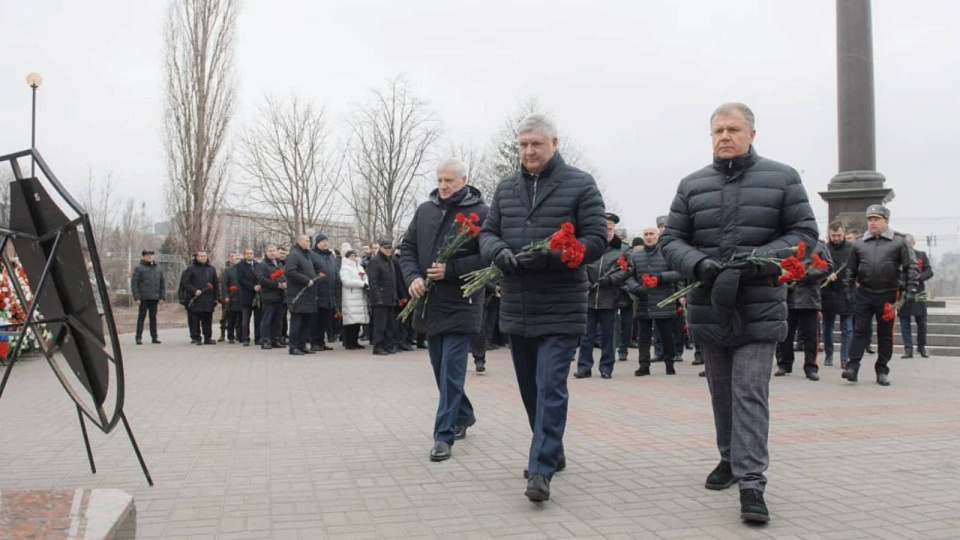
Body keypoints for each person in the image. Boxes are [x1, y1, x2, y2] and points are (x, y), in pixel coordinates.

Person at [660, 103, 818, 523]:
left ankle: (752, 482)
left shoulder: (782, 177)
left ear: (751, 133)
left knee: (749, 390)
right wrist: (698, 264)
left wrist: (755, 260)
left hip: (759, 306)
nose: (724, 136)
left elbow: (804, 235)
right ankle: (729, 458)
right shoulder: (692, 185)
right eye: (717, 130)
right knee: (721, 392)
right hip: (711, 305)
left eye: (733, 129)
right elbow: (671, 240)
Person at [479, 113, 606, 502]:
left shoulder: (580, 184)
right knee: (530, 389)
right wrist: (499, 252)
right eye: (523, 145)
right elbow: (487, 233)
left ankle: (541, 468)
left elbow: (596, 239)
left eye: (537, 144)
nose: (530, 151)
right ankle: (553, 447)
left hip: (561, 303)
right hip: (518, 304)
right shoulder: (505, 188)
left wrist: (555, 256)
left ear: (554, 143)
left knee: (551, 385)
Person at [401, 157, 489, 462]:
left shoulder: (481, 213)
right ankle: (463, 414)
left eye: (449, 180)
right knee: (440, 370)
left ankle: (443, 435)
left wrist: (451, 269)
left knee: (452, 371)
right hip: (429, 303)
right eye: (439, 179)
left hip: (462, 303)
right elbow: (408, 249)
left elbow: (488, 258)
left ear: (464, 180)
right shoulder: (425, 210)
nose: (443, 185)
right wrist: (412, 277)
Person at [842, 205, 919, 386]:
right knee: (860, 330)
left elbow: (911, 266)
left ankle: (882, 370)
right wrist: (848, 288)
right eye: (870, 219)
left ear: (886, 221)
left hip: (889, 294)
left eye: (876, 219)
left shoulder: (899, 242)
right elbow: (850, 269)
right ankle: (852, 367)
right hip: (865, 292)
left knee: (885, 334)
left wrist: (911, 289)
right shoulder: (859, 243)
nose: (872, 223)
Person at [575, 213, 628, 379]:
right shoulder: (591, 246)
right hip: (589, 297)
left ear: (614, 230)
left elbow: (626, 271)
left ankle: (606, 368)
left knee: (608, 336)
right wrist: (586, 282)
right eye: (604, 228)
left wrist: (610, 280)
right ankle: (584, 367)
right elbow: (581, 266)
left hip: (609, 298)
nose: (607, 232)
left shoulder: (623, 249)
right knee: (586, 335)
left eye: (610, 229)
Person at [626, 226, 683, 376]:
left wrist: (660, 277)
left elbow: (678, 273)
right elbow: (628, 276)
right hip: (644, 302)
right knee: (643, 337)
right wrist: (636, 288)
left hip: (663, 302)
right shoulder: (635, 256)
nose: (649, 237)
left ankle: (669, 363)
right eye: (646, 234)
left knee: (666, 336)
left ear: (658, 236)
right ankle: (644, 365)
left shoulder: (667, 254)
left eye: (652, 234)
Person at [775, 240, 832, 380]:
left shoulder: (819, 245)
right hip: (789, 295)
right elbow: (777, 263)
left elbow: (828, 267)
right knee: (785, 334)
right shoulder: (787, 242)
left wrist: (806, 275)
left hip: (810, 297)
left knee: (811, 335)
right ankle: (784, 364)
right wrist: (788, 274)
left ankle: (811, 366)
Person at [821, 222, 855, 368]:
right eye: (833, 235)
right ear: (829, 234)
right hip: (827, 293)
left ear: (844, 233)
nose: (836, 238)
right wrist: (826, 276)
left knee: (847, 328)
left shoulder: (852, 248)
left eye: (839, 235)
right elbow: (817, 267)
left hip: (846, 292)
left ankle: (845, 357)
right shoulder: (824, 249)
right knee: (827, 327)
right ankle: (829, 355)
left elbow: (856, 268)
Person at [899, 234, 933, 358]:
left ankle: (922, 347)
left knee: (922, 320)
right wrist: (902, 283)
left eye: (909, 243)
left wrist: (918, 277)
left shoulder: (921, 255)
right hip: (903, 291)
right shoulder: (898, 258)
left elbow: (929, 272)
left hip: (920, 291)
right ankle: (908, 349)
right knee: (904, 321)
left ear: (913, 243)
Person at [285, 235, 318, 355]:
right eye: (307, 241)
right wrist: (305, 280)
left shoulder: (307, 255)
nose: (309, 243)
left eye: (309, 241)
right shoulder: (294, 255)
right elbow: (290, 272)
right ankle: (293, 346)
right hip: (298, 293)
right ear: (299, 242)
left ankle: (302, 345)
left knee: (305, 321)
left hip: (308, 294)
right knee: (297, 321)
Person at [367, 240, 401, 355]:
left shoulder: (390, 261)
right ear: (380, 248)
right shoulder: (375, 261)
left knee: (390, 324)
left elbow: (394, 280)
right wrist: (378, 298)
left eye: (389, 248)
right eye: (385, 248)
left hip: (391, 297)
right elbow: (373, 281)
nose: (388, 250)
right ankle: (378, 346)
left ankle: (388, 345)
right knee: (380, 325)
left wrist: (396, 296)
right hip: (380, 298)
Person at [181, 251, 221, 345]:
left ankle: (208, 338)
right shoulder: (191, 269)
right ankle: (196, 337)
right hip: (195, 299)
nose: (203, 257)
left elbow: (216, 284)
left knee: (207, 319)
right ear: (197, 257)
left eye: (204, 256)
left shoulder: (211, 269)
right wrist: (194, 290)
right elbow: (185, 283)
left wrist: (216, 298)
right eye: (201, 256)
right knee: (195, 319)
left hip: (208, 299)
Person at [310, 234, 339, 352]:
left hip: (329, 293)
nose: (325, 243)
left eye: (327, 241)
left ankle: (321, 342)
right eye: (323, 241)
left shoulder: (331, 256)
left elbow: (334, 271)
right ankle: (315, 342)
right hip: (318, 292)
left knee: (325, 320)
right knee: (316, 320)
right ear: (317, 243)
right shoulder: (312, 255)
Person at [256, 245, 286, 350]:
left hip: (280, 296)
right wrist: (276, 285)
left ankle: (275, 339)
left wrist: (284, 283)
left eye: (274, 251)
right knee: (267, 319)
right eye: (270, 251)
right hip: (268, 295)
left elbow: (285, 276)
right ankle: (265, 340)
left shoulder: (280, 264)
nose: (272, 253)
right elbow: (261, 279)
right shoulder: (262, 265)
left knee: (278, 320)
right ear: (266, 252)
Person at [131, 249, 164, 345]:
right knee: (141, 317)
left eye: (151, 255)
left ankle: (154, 337)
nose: (150, 257)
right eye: (147, 255)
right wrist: (137, 297)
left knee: (153, 317)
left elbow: (162, 284)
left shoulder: (158, 268)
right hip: (143, 297)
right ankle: (138, 337)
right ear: (144, 256)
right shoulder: (139, 268)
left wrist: (162, 297)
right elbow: (134, 284)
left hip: (154, 297)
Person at [340, 250, 369, 349]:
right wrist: (361, 284)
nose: (354, 257)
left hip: (360, 296)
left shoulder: (359, 266)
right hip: (350, 296)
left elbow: (365, 276)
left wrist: (366, 283)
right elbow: (346, 281)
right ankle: (348, 342)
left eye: (355, 255)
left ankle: (355, 341)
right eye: (351, 256)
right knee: (350, 321)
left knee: (357, 321)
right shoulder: (345, 268)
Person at [236, 249, 260, 346]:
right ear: (244, 255)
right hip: (246, 295)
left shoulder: (258, 265)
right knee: (245, 319)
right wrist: (252, 286)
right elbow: (240, 280)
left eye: (251, 253)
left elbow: (261, 276)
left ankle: (258, 338)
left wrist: (259, 286)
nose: (249, 255)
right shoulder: (240, 266)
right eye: (247, 254)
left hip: (257, 296)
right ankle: (245, 338)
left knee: (258, 318)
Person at [220, 252, 241, 343]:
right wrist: (226, 296)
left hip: (242, 298)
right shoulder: (228, 270)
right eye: (236, 259)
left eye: (240, 259)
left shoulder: (244, 270)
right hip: (232, 297)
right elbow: (224, 284)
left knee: (241, 318)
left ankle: (240, 336)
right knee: (231, 318)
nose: (238, 261)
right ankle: (230, 336)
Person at [277, 247, 289, 345]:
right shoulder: (275, 264)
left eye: (284, 253)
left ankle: (284, 334)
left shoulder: (288, 264)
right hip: (277, 294)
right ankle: (279, 335)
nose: (282, 255)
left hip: (287, 294)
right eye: (280, 253)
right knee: (279, 317)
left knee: (284, 317)